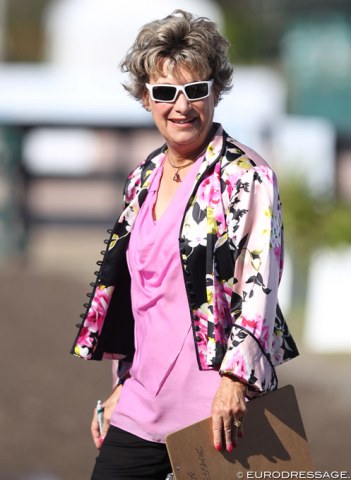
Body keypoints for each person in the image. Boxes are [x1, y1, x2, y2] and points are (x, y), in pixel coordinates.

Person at [71, 9, 299, 480]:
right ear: (144, 97)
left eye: (196, 91)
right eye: (165, 93)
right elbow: (141, 298)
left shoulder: (246, 176)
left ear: (215, 93)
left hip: (215, 414)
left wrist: (235, 381)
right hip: (139, 406)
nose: (182, 106)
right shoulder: (143, 178)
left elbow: (259, 283)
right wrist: (122, 384)